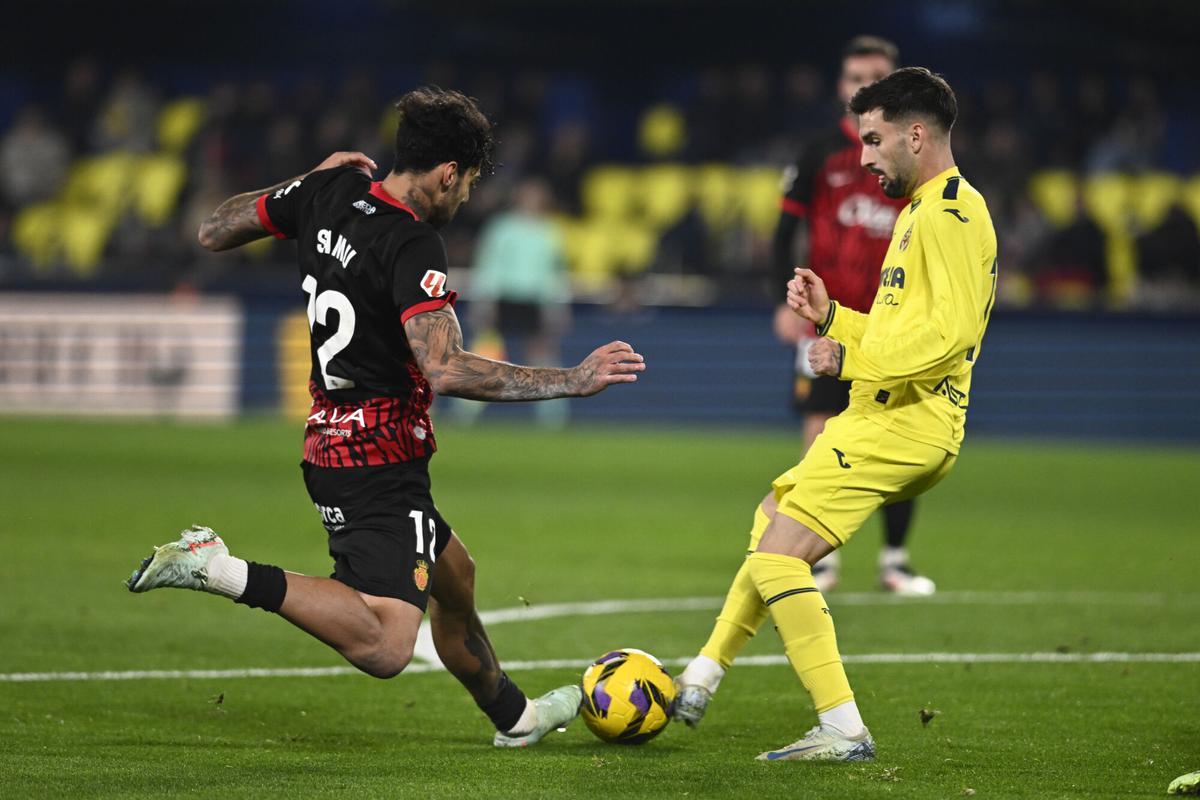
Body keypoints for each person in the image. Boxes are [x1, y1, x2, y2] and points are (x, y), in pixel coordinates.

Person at [125, 87, 645, 748]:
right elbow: (447, 367)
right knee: (386, 644)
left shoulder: (329, 189)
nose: (464, 200)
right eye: (467, 185)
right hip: (375, 459)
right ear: (446, 173)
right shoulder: (411, 242)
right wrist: (571, 380)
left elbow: (214, 228)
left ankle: (515, 718)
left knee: (457, 580)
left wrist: (309, 178)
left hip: (336, 438)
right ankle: (216, 567)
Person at [674, 68, 997, 761]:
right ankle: (700, 676)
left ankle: (842, 725)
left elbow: (949, 337)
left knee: (780, 555)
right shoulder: (922, 210)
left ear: (917, 134)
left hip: (905, 421)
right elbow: (900, 326)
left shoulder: (951, 214)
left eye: (876, 139)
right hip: (880, 415)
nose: (865, 155)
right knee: (771, 524)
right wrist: (833, 318)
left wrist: (845, 360)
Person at [772, 36, 934, 596]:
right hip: (826, 318)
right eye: (855, 77)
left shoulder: (912, 160)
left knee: (905, 435)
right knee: (819, 432)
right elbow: (782, 231)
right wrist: (784, 300)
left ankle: (895, 558)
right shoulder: (818, 151)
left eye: (877, 76)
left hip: (896, 323)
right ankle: (820, 558)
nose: (863, 86)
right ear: (841, 87)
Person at [455, 177, 572, 428]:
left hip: (534, 299)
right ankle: (465, 412)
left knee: (542, 356)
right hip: (503, 297)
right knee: (485, 354)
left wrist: (556, 307)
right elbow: (488, 266)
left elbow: (555, 273)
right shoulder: (501, 228)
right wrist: (483, 302)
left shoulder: (550, 231)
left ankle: (553, 418)